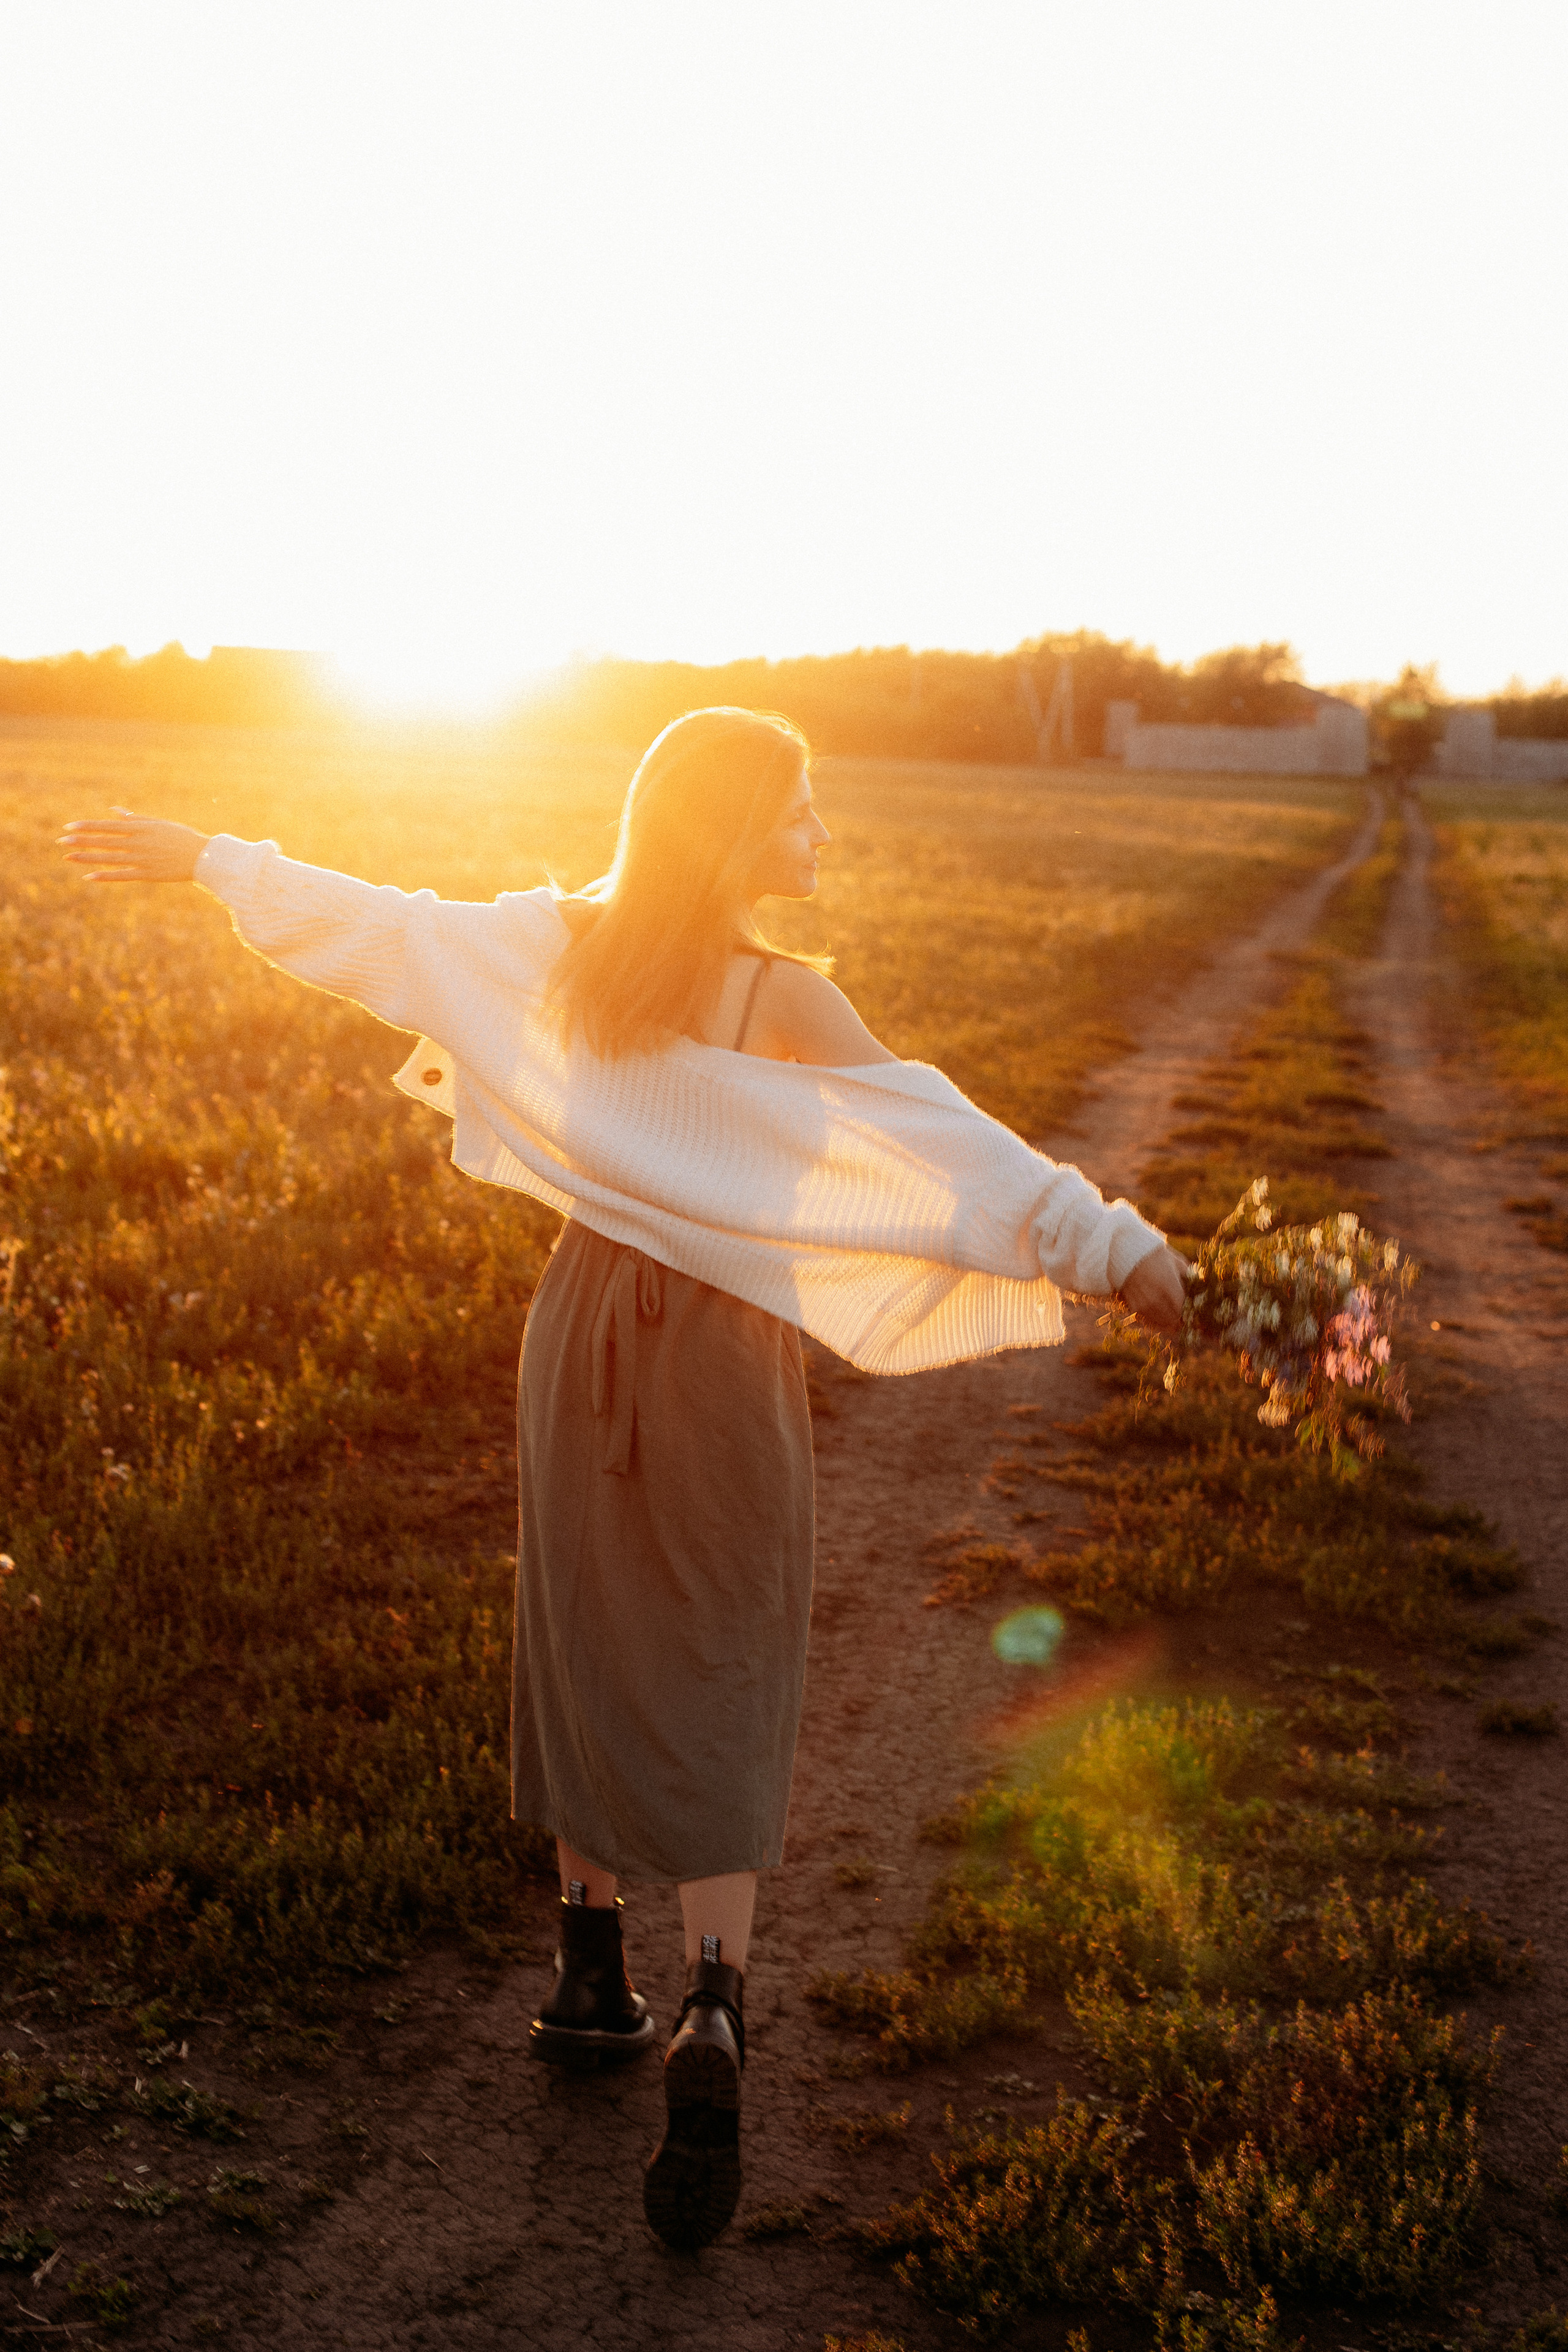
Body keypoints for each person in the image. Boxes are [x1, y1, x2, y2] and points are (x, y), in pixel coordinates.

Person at [61, 705, 1185, 2251]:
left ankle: (589, 1971)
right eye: (801, 810)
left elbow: (384, 931)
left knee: (581, 1625)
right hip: (719, 1350)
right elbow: (945, 1139)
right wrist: (1111, 1248)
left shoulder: (559, 948)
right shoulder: (787, 999)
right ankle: (713, 2003)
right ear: (731, 832)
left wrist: (207, 858)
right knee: (722, 1642)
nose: (822, 834)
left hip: (580, 1320)